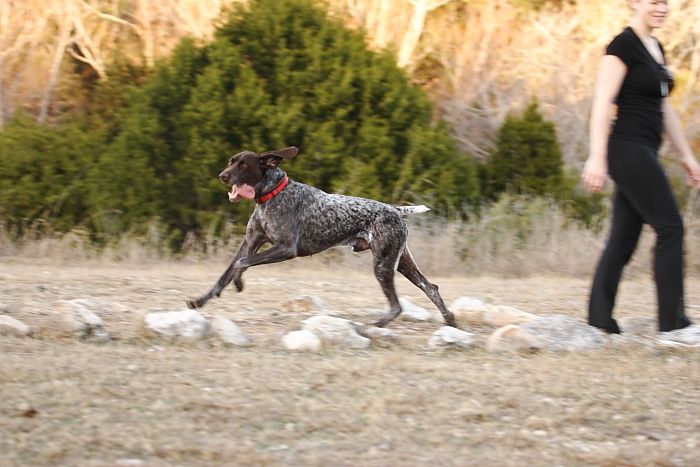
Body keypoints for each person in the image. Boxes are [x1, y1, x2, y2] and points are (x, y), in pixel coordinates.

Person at [581, 0, 700, 337]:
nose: (662, 7)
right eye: (654, 2)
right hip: (627, 149)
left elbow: (665, 109)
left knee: (623, 237)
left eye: (666, 1)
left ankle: (599, 318)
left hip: (646, 148)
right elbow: (602, 103)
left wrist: (687, 156)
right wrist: (596, 156)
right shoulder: (622, 46)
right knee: (671, 227)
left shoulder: (655, 46)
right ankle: (673, 322)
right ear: (634, 3)